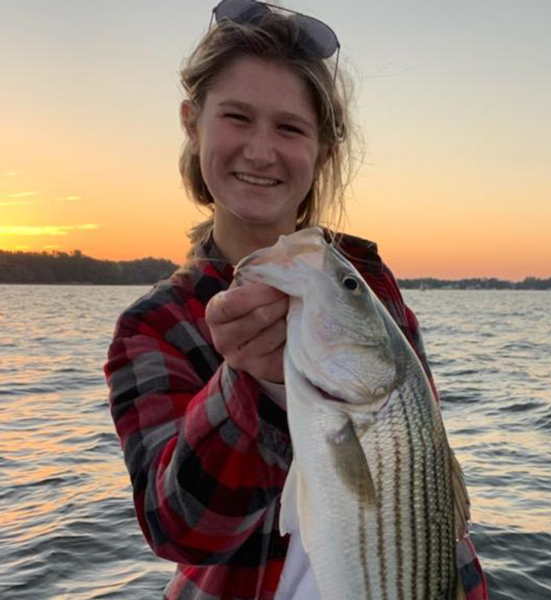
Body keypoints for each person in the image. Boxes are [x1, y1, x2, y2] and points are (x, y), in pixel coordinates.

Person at [104, 1, 488, 599]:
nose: (260, 151)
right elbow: (179, 527)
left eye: (289, 128)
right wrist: (246, 386)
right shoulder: (154, 327)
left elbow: (424, 476)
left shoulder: (365, 277)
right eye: (237, 117)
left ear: (322, 150)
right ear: (192, 121)